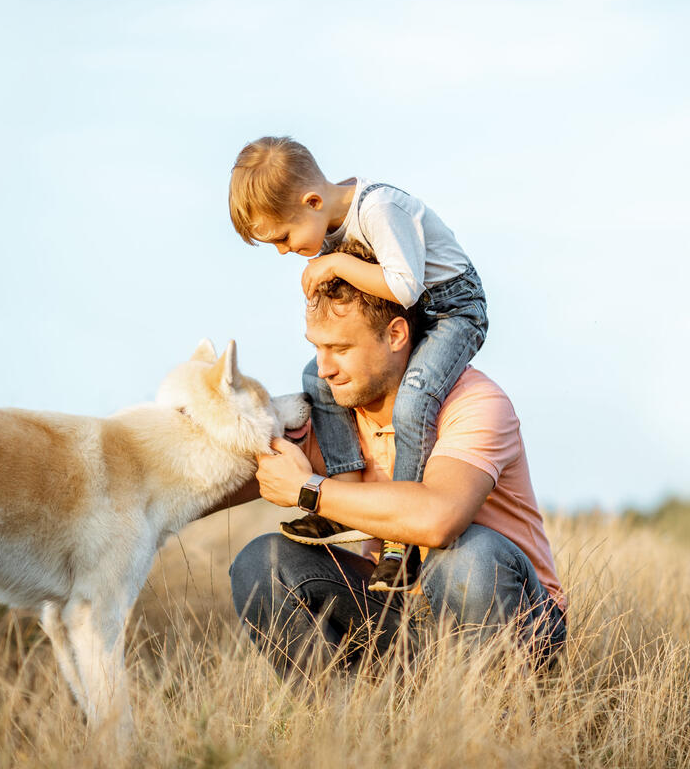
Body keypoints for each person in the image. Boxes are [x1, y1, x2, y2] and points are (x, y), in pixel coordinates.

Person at [228, 243, 566, 680]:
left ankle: (489, 733)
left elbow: (439, 519)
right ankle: (343, 733)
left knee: (466, 556)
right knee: (263, 562)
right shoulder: (332, 413)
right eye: (317, 347)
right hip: (397, 612)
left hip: (517, 624)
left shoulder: (475, 402)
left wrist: (309, 490)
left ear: (396, 335)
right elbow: (216, 479)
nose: (323, 367)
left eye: (341, 348)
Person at [229, 136, 488, 592]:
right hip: (415, 313)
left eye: (284, 238)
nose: (284, 251)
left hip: (453, 311)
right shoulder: (327, 223)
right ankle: (342, 494)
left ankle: (397, 546)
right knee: (315, 377)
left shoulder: (378, 210)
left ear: (312, 201)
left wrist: (338, 265)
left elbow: (404, 288)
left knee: (414, 398)